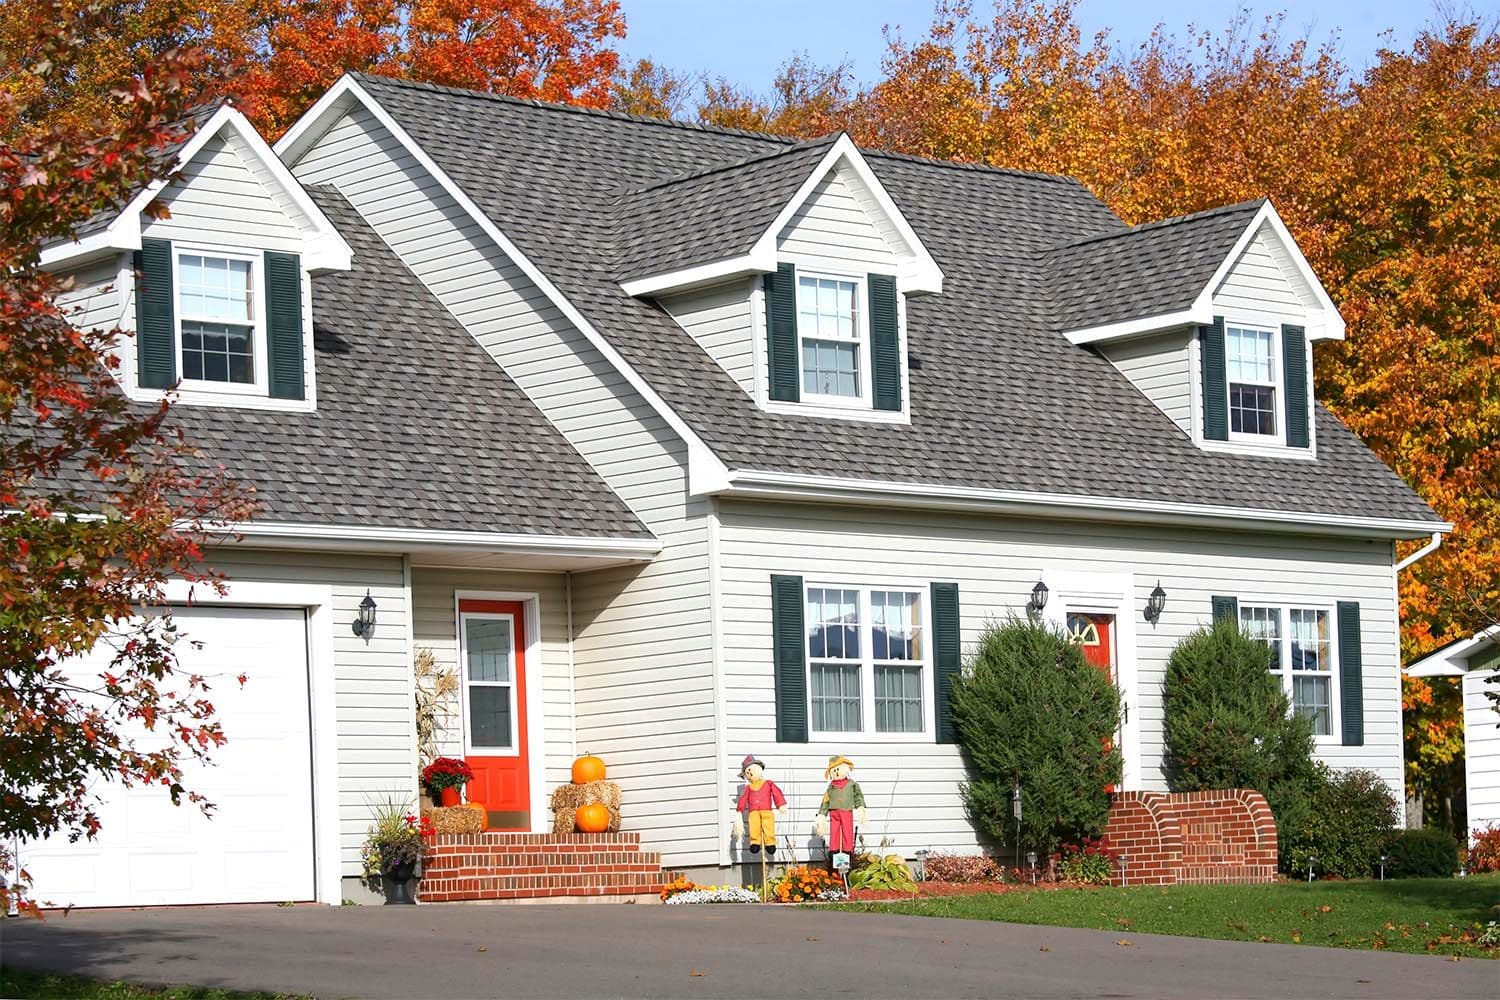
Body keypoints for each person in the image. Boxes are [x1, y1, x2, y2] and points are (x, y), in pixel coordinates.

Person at [815, 755, 865, 871]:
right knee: (835, 832)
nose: (837, 772)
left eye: (838, 769)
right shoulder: (831, 787)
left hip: (846, 812)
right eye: (834, 770)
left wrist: (860, 807)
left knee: (847, 832)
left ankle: (847, 852)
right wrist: (822, 814)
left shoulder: (852, 784)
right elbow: (826, 800)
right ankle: (835, 852)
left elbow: (858, 796)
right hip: (834, 813)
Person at [731, 754, 786, 855]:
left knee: (768, 826)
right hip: (754, 813)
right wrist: (739, 810)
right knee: (754, 826)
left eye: (750, 770)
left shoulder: (768, 784)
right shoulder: (748, 788)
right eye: (747, 772)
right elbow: (743, 799)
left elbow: (777, 793)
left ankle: (770, 843)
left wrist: (780, 804)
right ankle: (755, 842)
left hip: (767, 811)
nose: (750, 773)